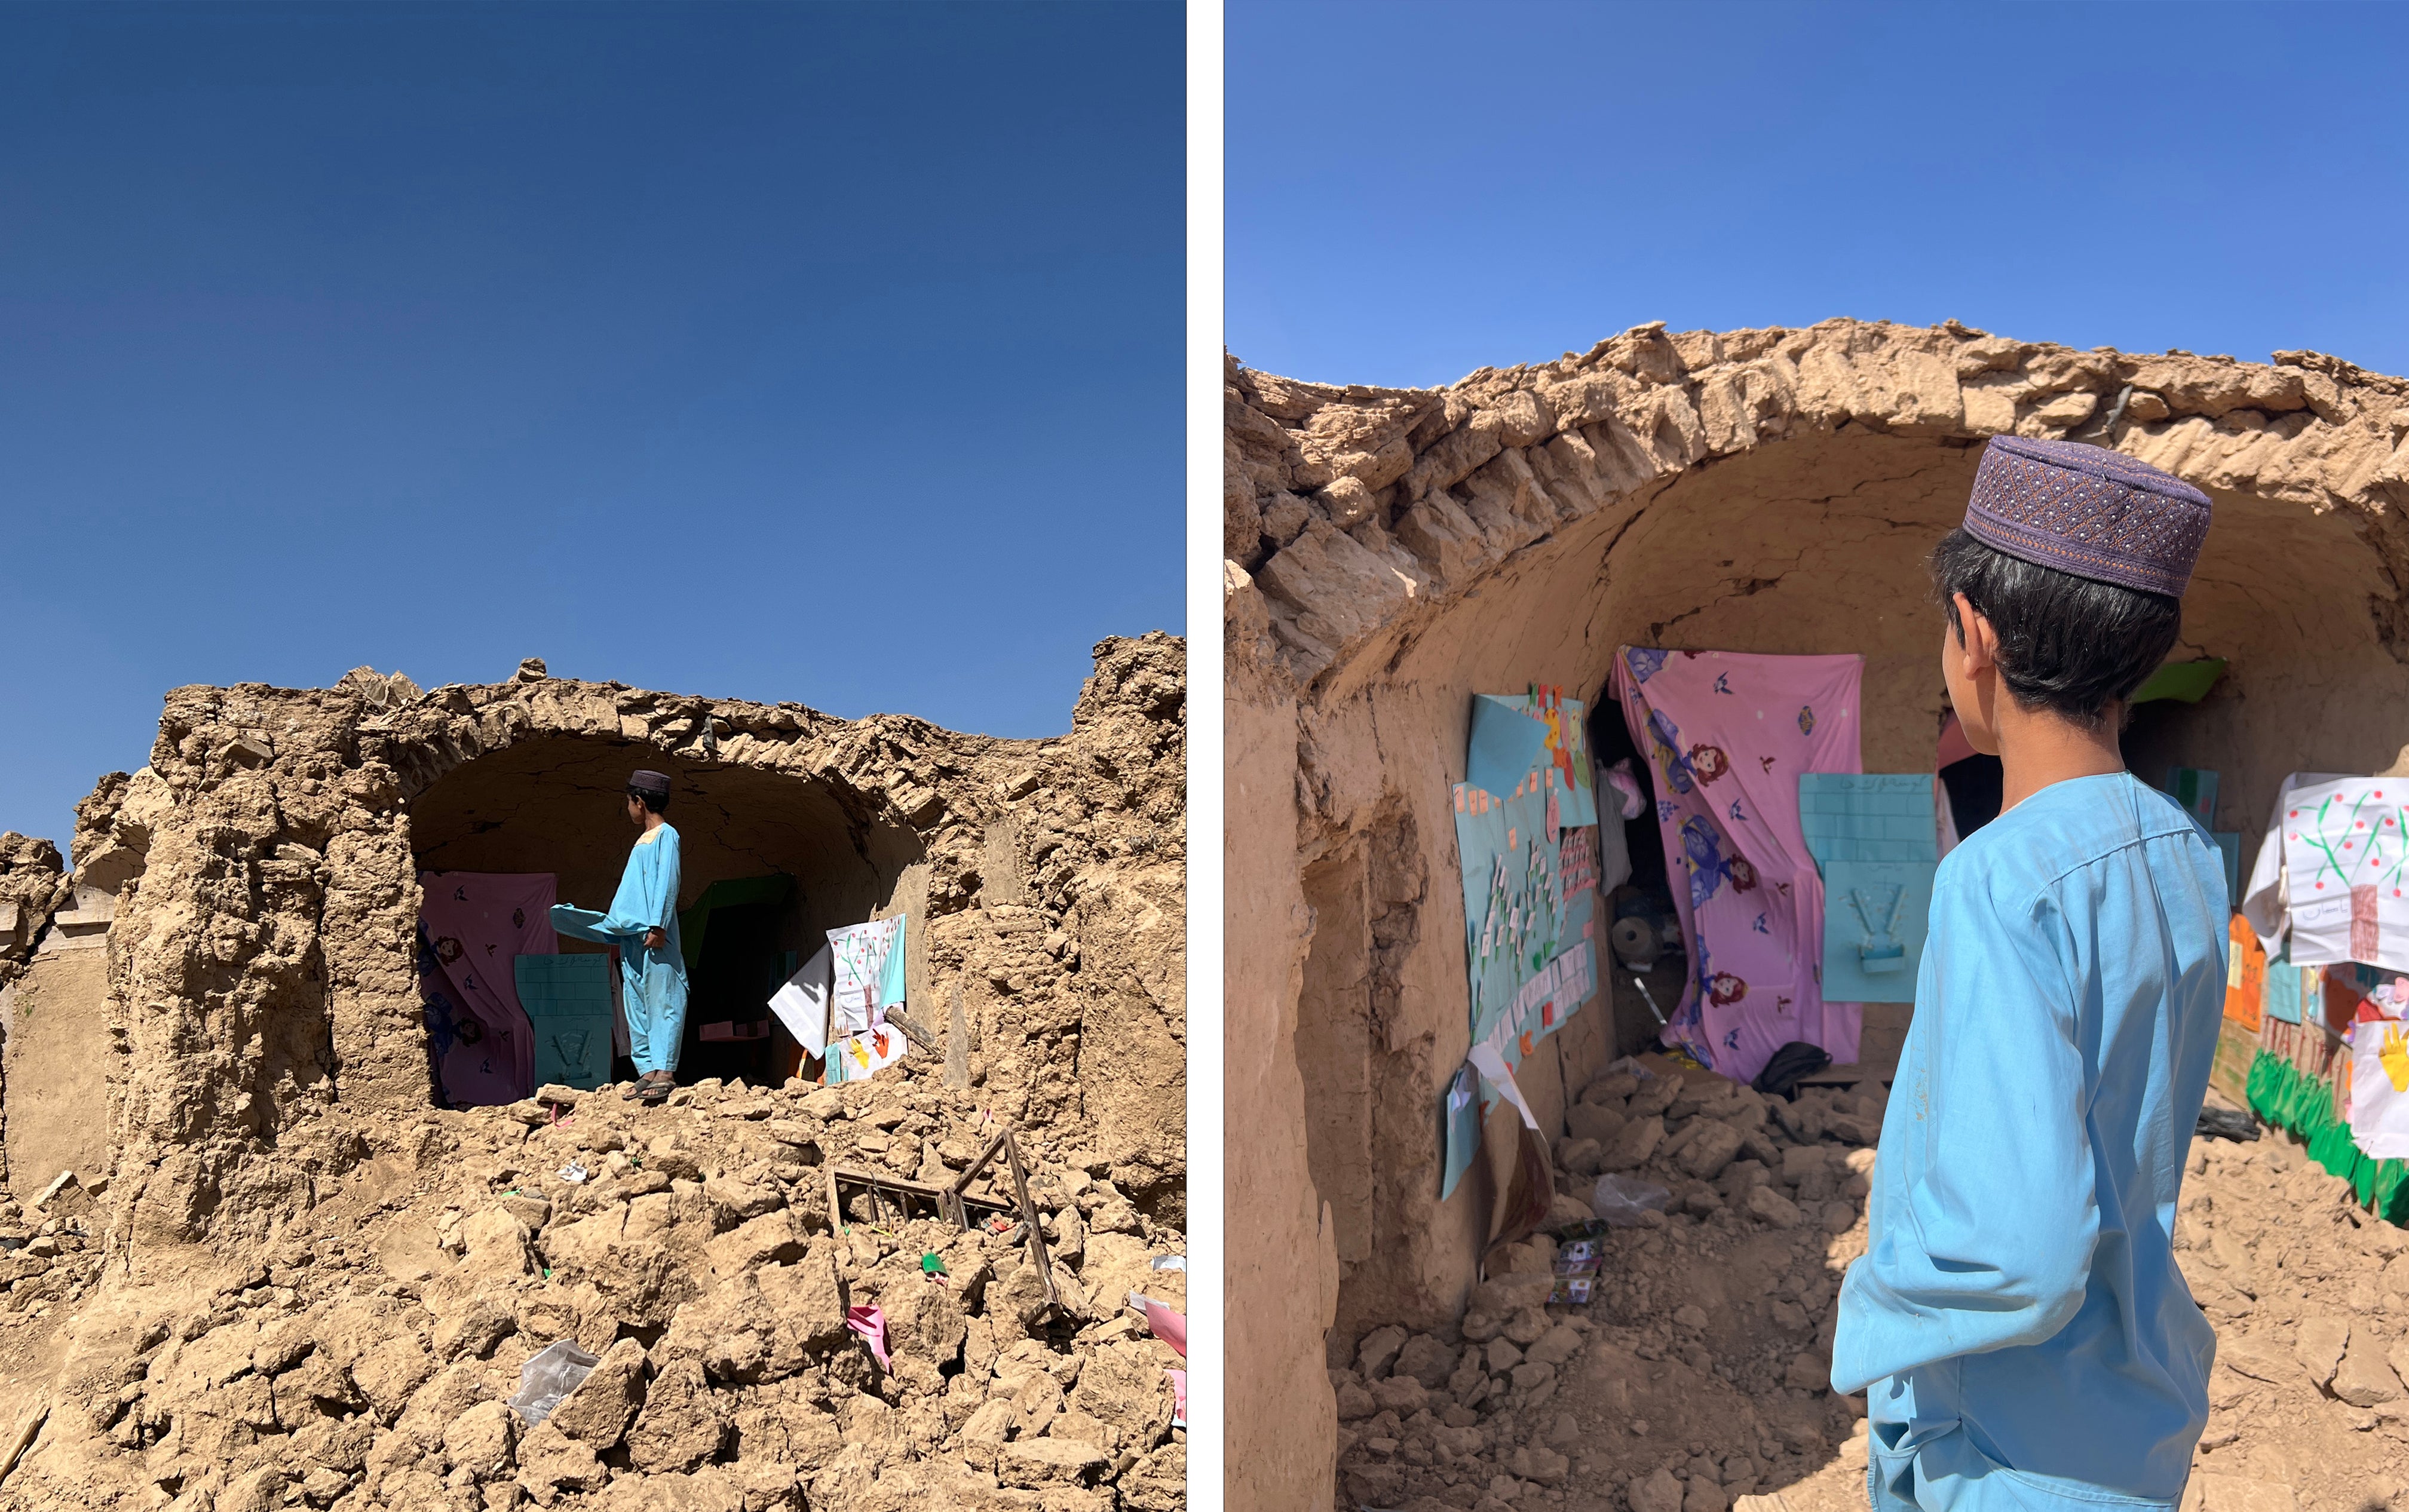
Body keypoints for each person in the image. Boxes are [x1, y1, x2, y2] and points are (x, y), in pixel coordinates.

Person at [1831, 436, 2226, 1511]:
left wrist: (1870, 1307)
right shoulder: (2184, 852)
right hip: (2132, 1414)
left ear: (1975, 636)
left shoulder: (1996, 880)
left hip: (2005, 1447)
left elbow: (2019, 1254)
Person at [551, 769, 688, 1104]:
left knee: (664, 1000)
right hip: (630, 936)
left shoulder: (667, 835)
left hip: (653, 934)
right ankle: (648, 1071)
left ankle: (666, 1071)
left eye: (629, 802)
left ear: (639, 802)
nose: (628, 808)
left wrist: (658, 926)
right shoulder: (642, 841)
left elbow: (667, 883)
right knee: (636, 1002)